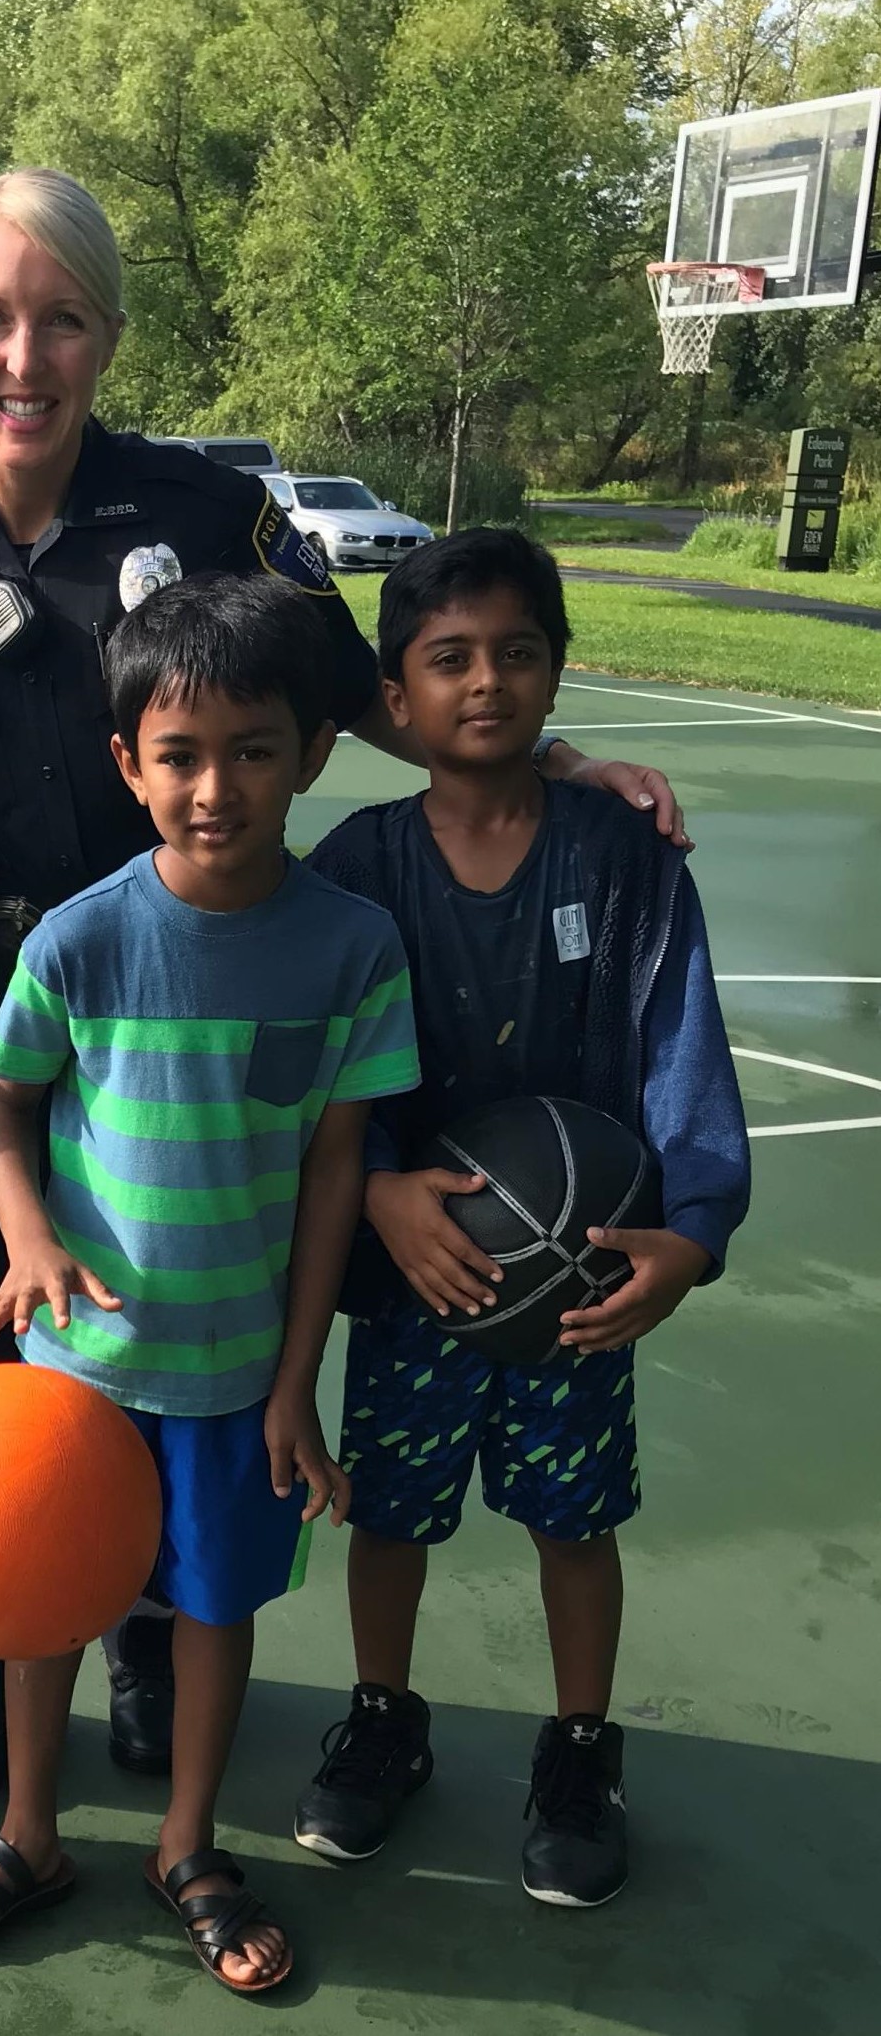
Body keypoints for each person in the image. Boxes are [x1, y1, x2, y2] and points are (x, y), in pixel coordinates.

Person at [0, 168, 686, 1816]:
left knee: (172, 1344)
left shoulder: (205, 521)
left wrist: (552, 755)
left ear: (107, 337)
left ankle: (148, 1642)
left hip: (188, 1012)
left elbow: (338, 678)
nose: (27, 353)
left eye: (61, 318)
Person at [0, 570, 418, 1989]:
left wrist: (294, 1380)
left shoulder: (351, 945)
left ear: (313, 752)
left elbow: (331, 1168)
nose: (215, 786)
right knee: (45, 1599)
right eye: (177, 754)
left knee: (209, 1610)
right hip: (73, 1363)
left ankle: (186, 1843)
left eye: (253, 750)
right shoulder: (80, 934)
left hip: (237, 1368)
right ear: (126, 764)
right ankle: (26, 1830)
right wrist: (27, 1240)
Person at [296, 529, 751, 1909]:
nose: (483, 682)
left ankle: (576, 1750)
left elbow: (682, 1048)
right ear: (395, 691)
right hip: (414, 1277)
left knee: (572, 1522)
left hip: (578, 1277)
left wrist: (688, 1225)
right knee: (389, 1515)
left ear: (554, 673)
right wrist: (375, 1182)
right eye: (447, 659)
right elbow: (317, 1073)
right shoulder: (357, 864)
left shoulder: (622, 858)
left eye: (514, 653)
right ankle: (383, 1715)